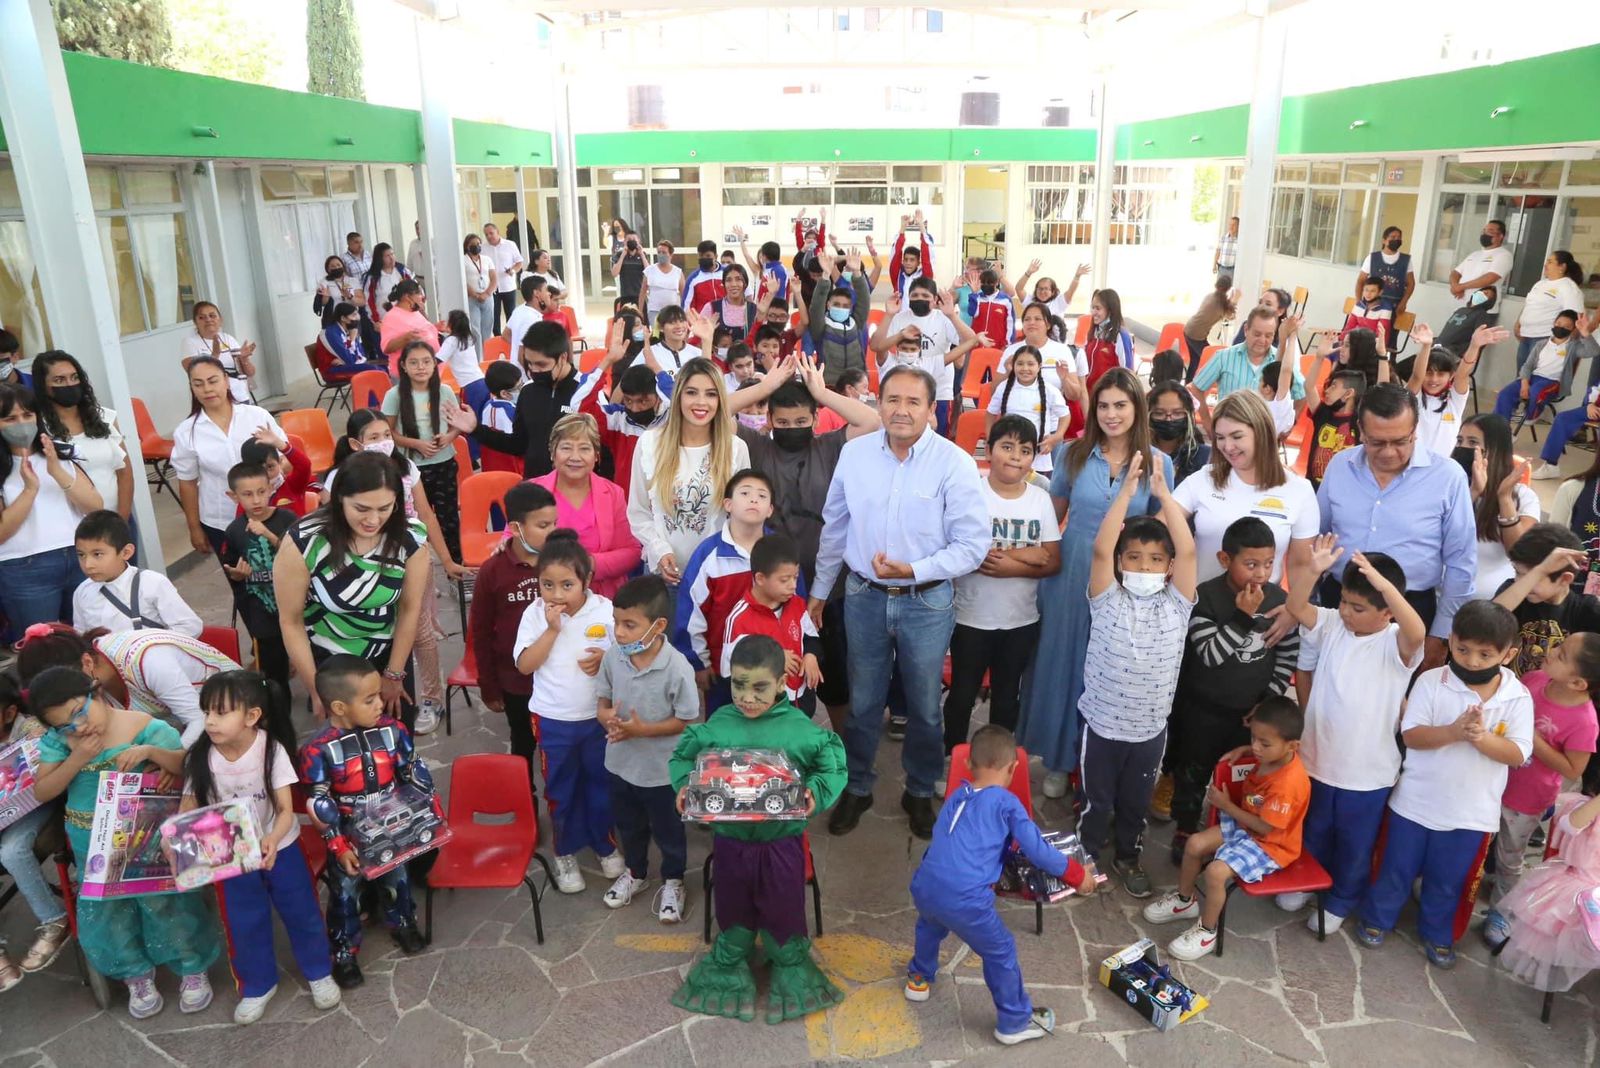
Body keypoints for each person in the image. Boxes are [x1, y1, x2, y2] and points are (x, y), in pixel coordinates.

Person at [812, 366, 989, 839]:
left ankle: (919, 788)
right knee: (864, 700)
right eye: (892, 399)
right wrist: (819, 592)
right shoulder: (854, 455)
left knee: (925, 705)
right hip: (864, 596)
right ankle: (858, 786)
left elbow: (973, 545)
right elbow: (835, 528)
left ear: (932, 409)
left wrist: (914, 569)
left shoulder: (954, 463)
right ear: (878, 403)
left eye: (914, 402)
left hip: (925, 602)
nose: (901, 410)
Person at [668, 635, 847, 1024]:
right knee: (732, 903)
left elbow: (831, 762)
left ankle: (789, 960)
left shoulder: (800, 729)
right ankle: (732, 954)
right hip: (731, 844)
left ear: (782, 683)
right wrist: (685, 787)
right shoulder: (718, 723)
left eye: (760, 687)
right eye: (739, 685)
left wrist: (816, 791)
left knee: (784, 905)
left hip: (781, 844)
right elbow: (683, 756)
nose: (747, 698)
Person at [29, 666, 219, 1017]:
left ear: (96, 692)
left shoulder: (144, 727)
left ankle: (191, 965)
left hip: (145, 834)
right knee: (110, 909)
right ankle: (136, 974)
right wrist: (77, 758)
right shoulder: (60, 743)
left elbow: (185, 766)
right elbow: (43, 790)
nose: (78, 728)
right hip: (91, 839)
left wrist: (151, 753)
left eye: (79, 713)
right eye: (65, 726)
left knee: (163, 899)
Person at [1018, 369, 1172, 801]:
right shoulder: (1072, 453)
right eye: (1103, 405)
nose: (1111, 414)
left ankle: (1100, 766)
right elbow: (1050, 518)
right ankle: (1059, 760)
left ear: (1137, 408)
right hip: (1071, 573)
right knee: (1064, 662)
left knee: (1110, 667)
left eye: (1120, 405)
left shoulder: (1158, 462)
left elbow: (1162, 527)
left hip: (1126, 580)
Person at [1356, 600, 1532, 969]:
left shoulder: (1517, 697)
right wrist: (1454, 732)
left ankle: (1439, 934)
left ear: (1509, 654)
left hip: (1471, 814)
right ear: (1450, 640)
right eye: (1463, 649)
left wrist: (1481, 737)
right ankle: (1377, 917)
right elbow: (1412, 735)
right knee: (1394, 868)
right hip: (1414, 803)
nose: (1472, 661)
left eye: (1485, 654)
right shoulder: (1432, 681)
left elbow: (1517, 753)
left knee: (1450, 881)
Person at [904, 723, 1093, 1046]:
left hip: (926, 884)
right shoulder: (1007, 804)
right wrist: (1077, 875)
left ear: (968, 764)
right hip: (966, 900)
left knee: (930, 926)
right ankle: (1014, 1022)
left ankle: (918, 978)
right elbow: (1038, 850)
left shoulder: (956, 796)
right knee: (1001, 949)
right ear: (1013, 768)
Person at [1277, 536, 1424, 931]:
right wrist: (1313, 570)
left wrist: (1385, 585)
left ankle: (1341, 899)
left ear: (1387, 612)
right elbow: (1297, 606)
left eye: (1358, 608)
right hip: (1316, 760)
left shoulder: (1396, 645)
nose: (1345, 611)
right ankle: (1305, 882)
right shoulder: (1331, 625)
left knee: (1354, 845)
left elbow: (1417, 631)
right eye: (1343, 601)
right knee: (1313, 830)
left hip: (1366, 775)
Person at [725, 359, 880, 730]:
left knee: (836, 677)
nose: (792, 428)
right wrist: (765, 387)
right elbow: (719, 411)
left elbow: (871, 421)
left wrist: (821, 392)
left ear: (815, 419)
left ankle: (839, 745)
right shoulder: (758, 448)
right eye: (782, 422)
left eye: (800, 421)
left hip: (829, 585)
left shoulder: (829, 447)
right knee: (772, 673)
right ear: (769, 421)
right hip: (772, 589)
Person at [181, 670, 341, 1023]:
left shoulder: (271, 750)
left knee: (302, 911)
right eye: (206, 712)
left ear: (252, 716)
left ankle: (319, 971)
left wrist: (272, 839)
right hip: (230, 855)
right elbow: (188, 806)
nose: (210, 721)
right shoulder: (200, 757)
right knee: (242, 921)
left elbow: (284, 810)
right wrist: (174, 837)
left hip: (281, 847)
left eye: (221, 712)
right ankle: (257, 985)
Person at [1076, 449, 1196, 896]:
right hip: (1101, 727)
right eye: (1134, 557)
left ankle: (1128, 855)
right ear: (1120, 563)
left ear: (1169, 568)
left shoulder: (1178, 605)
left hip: (1148, 732)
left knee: (1135, 802)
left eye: (1154, 559)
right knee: (1095, 799)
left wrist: (1163, 493)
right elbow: (1101, 547)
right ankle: (1087, 852)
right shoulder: (1107, 597)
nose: (1144, 566)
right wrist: (1126, 493)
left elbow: (1187, 548)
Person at [1166, 517, 1299, 859]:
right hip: (1203, 709)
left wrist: (1267, 700)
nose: (1261, 573)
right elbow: (1211, 655)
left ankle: (1230, 828)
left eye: (1268, 564)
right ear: (1225, 559)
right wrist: (1243, 616)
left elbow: (1288, 653)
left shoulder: (1279, 602)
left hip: (1250, 715)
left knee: (1243, 776)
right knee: (1192, 771)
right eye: (1251, 564)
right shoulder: (1206, 597)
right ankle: (1185, 828)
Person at [1317, 383, 1476, 666]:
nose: (1389, 452)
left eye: (1401, 442)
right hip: (1340, 604)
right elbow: (1316, 539)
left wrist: (1441, 634)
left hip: (1410, 612)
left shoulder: (1448, 477)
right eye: (1377, 442)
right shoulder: (1340, 466)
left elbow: (1461, 562)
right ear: (1361, 431)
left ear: (1415, 431)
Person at [1143, 696, 1309, 961]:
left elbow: (1265, 828)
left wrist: (1226, 806)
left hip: (1271, 844)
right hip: (1248, 821)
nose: (1256, 747)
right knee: (1194, 843)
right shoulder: (1273, 754)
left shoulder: (1288, 784)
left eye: (1264, 744)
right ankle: (1185, 901)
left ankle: (1207, 931)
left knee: (1216, 872)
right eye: (1253, 738)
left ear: (1293, 746)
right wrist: (1245, 749)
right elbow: (1256, 809)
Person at [300, 655, 431, 988]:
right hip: (347, 829)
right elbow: (319, 800)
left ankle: (403, 923)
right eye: (370, 699)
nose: (380, 704)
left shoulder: (393, 730)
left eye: (378, 696)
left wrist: (424, 809)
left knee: (398, 877)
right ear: (339, 707)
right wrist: (338, 844)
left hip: (392, 821)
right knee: (346, 893)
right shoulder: (318, 749)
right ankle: (344, 950)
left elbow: (411, 769)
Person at [274, 452, 431, 728]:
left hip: (389, 653)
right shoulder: (304, 542)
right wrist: (316, 688)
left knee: (396, 737)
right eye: (361, 509)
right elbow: (291, 621)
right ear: (339, 499)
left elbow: (409, 608)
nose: (373, 519)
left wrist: (394, 674)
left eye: (384, 508)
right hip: (330, 662)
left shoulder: (410, 539)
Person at [944, 416, 1060, 759]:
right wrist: (1028, 555)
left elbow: (1052, 560)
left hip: (1020, 620)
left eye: (1025, 450)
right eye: (1007, 447)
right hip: (970, 617)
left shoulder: (1040, 500)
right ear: (989, 449)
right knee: (962, 693)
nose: (1015, 457)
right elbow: (963, 553)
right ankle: (952, 755)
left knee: (1007, 696)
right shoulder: (972, 494)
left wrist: (1010, 563)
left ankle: (998, 763)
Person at [512, 530, 621, 894]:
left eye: (567, 585)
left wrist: (607, 659)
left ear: (586, 581)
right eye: (547, 585)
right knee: (561, 787)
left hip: (596, 719)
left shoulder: (605, 610)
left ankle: (604, 843)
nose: (556, 594)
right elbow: (525, 665)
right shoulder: (534, 615)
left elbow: (626, 655)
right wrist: (551, 630)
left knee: (600, 783)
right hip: (552, 719)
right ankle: (565, 851)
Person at [1481, 633, 1599, 948]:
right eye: (1559, 645)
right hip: (1490, 778)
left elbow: (1573, 769)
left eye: (1562, 654)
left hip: (1526, 798)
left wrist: (1531, 737)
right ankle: (1457, 890)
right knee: (1474, 842)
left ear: (1578, 683)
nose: (1552, 650)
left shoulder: (1585, 722)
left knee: (1510, 857)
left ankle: (1501, 912)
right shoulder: (1534, 680)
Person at [597, 574, 698, 921]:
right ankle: (636, 873)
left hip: (661, 772)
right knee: (629, 827)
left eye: (629, 625)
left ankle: (673, 880)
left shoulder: (677, 668)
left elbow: (687, 720)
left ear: (659, 626)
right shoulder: (614, 657)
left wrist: (643, 731)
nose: (619, 633)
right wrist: (605, 717)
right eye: (616, 622)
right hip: (620, 765)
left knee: (669, 831)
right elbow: (602, 701)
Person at [627, 358, 751, 585]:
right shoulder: (649, 443)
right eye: (692, 392)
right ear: (678, 396)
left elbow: (743, 517)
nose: (701, 402)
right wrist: (659, 550)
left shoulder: (736, 449)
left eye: (711, 394)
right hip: (664, 578)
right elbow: (638, 511)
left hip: (716, 579)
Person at [1173, 391, 1317, 587]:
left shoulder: (1299, 490)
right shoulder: (1203, 479)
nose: (1228, 446)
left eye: (1237, 436)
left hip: (1264, 604)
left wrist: (1293, 605)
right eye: (1220, 437)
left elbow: (1300, 565)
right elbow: (1160, 526)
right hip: (1200, 602)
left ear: (1261, 432)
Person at [469, 481, 555, 795]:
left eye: (554, 523)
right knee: (522, 742)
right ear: (516, 528)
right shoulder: (493, 571)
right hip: (516, 681)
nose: (552, 531)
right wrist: (489, 685)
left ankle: (561, 801)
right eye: (543, 525)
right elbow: (480, 631)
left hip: (558, 679)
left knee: (557, 747)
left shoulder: (561, 564)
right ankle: (525, 799)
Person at [0, 383, 102, 633]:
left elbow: (95, 506)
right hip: (24, 568)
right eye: (10, 419)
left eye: (27, 415)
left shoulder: (59, 452)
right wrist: (29, 490)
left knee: (92, 637)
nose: (21, 424)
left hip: (79, 557)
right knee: (44, 644)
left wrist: (57, 471)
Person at [675, 469, 777, 708]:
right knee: (723, 726)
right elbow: (690, 614)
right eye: (745, 493)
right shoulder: (709, 555)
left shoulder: (779, 551)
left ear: (770, 510)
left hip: (773, 664)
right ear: (728, 504)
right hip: (723, 667)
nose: (754, 500)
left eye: (762, 496)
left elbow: (795, 604)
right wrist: (699, 663)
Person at [452, 320, 591, 480]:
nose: (534, 370)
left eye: (541, 364)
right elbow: (518, 444)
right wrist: (476, 429)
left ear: (562, 358)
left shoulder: (586, 391)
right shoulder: (528, 390)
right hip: (535, 484)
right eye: (529, 363)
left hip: (574, 485)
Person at [0, 672, 69, 991]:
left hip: (35, 804)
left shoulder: (30, 730)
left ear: (9, 713)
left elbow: (48, 770)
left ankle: (54, 919)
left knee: (12, 851)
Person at [529, 412, 642, 598]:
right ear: (552, 453)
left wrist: (587, 563)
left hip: (602, 597)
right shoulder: (532, 491)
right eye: (566, 448)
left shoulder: (614, 494)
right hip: (548, 596)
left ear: (596, 456)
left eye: (584, 449)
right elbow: (512, 543)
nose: (575, 457)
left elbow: (632, 552)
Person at [1497, 790, 1600, 992]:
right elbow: (1571, 825)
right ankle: (1546, 966)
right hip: (1578, 884)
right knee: (1566, 923)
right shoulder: (1584, 805)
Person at [719, 534, 823, 711]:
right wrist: (773, 660)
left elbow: (810, 637)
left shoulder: (797, 604)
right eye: (784, 580)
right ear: (760, 578)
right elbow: (729, 673)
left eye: (795, 577)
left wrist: (811, 656)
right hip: (766, 711)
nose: (793, 586)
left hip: (801, 701)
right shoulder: (739, 620)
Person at [219, 463, 297, 692]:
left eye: (261, 492)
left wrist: (269, 535)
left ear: (271, 488)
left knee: (313, 660)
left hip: (298, 608)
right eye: (247, 494)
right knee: (274, 678)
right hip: (262, 614)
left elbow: (302, 555)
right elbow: (231, 569)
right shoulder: (234, 531)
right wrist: (237, 575)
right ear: (233, 496)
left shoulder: (287, 519)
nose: (256, 500)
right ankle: (278, 709)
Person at [32, 350, 132, 524]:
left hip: (116, 521)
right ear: (43, 386)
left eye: (74, 377)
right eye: (59, 380)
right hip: (72, 528)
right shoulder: (39, 428)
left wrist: (122, 520)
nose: (69, 384)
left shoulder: (104, 417)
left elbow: (124, 472)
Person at [383, 341, 461, 562]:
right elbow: (387, 432)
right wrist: (416, 444)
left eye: (426, 361)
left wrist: (448, 437)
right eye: (414, 362)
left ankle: (454, 565)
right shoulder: (395, 395)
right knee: (414, 520)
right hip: (410, 468)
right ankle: (419, 566)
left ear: (434, 364)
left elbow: (457, 424)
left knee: (448, 518)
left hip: (444, 464)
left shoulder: (445, 391)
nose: (421, 367)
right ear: (403, 366)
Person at [71, 510, 200, 636]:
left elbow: (190, 626)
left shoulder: (152, 583)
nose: (88, 564)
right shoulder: (82, 592)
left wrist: (152, 645)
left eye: (97, 554)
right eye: (81, 555)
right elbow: (81, 635)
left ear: (126, 552)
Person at [1493, 525, 1600, 676]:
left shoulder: (1586, 609)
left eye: (1533, 577)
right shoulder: (1512, 592)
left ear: (1565, 579)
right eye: (1518, 572)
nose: (1521, 582)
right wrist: (1541, 570)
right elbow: (1485, 621)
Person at [1455, 414, 1538, 596]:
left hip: (1491, 602)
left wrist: (1504, 498)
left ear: (1495, 450)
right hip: (1442, 596)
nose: (1462, 448)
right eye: (1460, 441)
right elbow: (1439, 537)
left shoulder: (1523, 497)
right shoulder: (1450, 486)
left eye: (1473, 442)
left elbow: (1518, 552)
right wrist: (1472, 493)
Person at [1189, 307, 1304, 434]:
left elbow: (1302, 394)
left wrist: (1288, 426)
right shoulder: (1224, 357)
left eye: (1268, 336)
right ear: (1246, 330)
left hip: (1263, 437)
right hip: (1228, 433)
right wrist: (1207, 422)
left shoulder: (1281, 360)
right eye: (1257, 334)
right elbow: (1197, 388)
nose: (1262, 340)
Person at [1493, 309, 1595, 428]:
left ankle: (1531, 416)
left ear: (1573, 329)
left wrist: (1585, 332)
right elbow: (1527, 366)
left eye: (1566, 326)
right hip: (1533, 378)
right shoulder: (1541, 344)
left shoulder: (1574, 347)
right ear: (1554, 323)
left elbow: (1594, 351)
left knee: (1536, 391)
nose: (1561, 327)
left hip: (1553, 382)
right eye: (1558, 323)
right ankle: (1499, 427)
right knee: (1505, 394)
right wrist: (1524, 383)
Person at [1530, 314, 1600, 480]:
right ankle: (1551, 465)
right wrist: (1591, 404)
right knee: (1562, 418)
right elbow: (1596, 387)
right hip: (1596, 408)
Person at [1408, 324, 1492, 458]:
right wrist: (1426, 346)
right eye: (1428, 373)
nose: (1434, 379)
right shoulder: (1413, 397)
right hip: (1414, 462)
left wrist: (1474, 346)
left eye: (1441, 374)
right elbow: (1417, 376)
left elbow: (1463, 374)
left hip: (1445, 465)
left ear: (1451, 375)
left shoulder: (1455, 399)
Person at [986, 346, 1070, 476]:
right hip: (1008, 454)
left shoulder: (1049, 390)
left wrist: (1057, 436)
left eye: (1030, 364)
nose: (1025, 368)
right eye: (1020, 364)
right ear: (1013, 366)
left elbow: (1065, 415)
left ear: (1039, 366)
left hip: (1038, 456)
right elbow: (990, 413)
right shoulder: (1003, 387)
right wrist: (990, 439)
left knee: (1037, 486)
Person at [1511, 250, 1586, 372]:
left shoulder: (1569, 288)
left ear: (1562, 267)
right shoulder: (1540, 284)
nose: (1545, 265)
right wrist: (1518, 323)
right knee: (1522, 376)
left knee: (1537, 377)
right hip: (1526, 337)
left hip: (1545, 338)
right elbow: (1529, 305)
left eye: (1550, 262)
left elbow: (1576, 318)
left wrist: (1560, 344)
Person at [810, 250, 874, 388]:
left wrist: (857, 273)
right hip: (829, 386)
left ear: (850, 308)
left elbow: (864, 300)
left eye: (845, 306)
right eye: (837, 304)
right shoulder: (821, 326)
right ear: (828, 305)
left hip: (856, 386)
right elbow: (816, 305)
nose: (841, 308)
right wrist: (825, 276)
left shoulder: (856, 323)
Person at [180, 302, 256, 404]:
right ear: (195, 322)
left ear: (220, 320)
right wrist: (215, 355)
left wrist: (244, 359)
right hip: (212, 399)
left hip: (239, 396)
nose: (208, 320)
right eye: (202, 317)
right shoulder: (190, 342)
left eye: (212, 316)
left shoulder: (228, 339)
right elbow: (194, 373)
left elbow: (250, 373)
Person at [1301, 369, 1365, 490]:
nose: (1327, 390)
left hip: (1344, 492)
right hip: (1314, 490)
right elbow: (1308, 386)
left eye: (1334, 386)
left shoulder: (1360, 423)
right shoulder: (1323, 414)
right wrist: (1319, 359)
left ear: (1348, 393)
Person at [1147, 382, 1211, 486]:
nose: (1168, 419)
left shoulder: (1205, 457)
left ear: (1189, 416)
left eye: (1177, 413)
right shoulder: (1138, 455)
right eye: (1159, 413)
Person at [377, 279, 437, 378]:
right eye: (418, 293)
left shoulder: (415, 312)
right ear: (407, 297)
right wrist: (406, 338)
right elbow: (386, 348)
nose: (422, 297)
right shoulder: (391, 317)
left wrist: (436, 328)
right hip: (406, 375)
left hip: (426, 371)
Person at [1182, 275, 1239, 379]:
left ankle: (1189, 383)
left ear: (1216, 285)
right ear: (1228, 289)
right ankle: (1203, 383)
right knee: (1211, 361)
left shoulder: (1210, 296)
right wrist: (1235, 298)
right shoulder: (1221, 305)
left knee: (1195, 361)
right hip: (1196, 336)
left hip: (1189, 329)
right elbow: (1231, 316)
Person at [436, 308, 488, 420]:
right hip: (482, 381)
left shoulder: (451, 341)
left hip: (469, 386)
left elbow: (438, 359)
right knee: (481, 418)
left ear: (451, 324)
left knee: (470, 420)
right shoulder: (468, 338)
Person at [1355, 226, 1415, 322]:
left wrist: (1404, 303)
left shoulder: (1406, 260)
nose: (1396, 239)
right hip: (1372, 306)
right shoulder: (1372, 258)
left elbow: (1411, 283)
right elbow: (1360, 281)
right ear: (1384, 240)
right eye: (1393, 237)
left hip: (1394, 307)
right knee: (1368, 330)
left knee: (1388, 331)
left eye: (1399, 237)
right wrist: (1358, 301)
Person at [1449, 218, 1512, 309]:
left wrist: (1461, 287)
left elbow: (1490, 278)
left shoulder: (1504, 255)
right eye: (1484, 230)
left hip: (1483, 310)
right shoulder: (1475, 254)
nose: (1485, 233)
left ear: (1501, 236)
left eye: (1490, 231)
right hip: (1460, 308)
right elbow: (1455, 273)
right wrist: (1455, 286)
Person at [318, 302, 388, 380]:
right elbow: (350, 360)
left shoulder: (350, 329)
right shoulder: (331, 333)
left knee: (386, 367)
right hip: (331, 370)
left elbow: (361, 355)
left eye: (357, 314)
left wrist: (347, 358)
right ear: (343, 318)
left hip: (347, 365)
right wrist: (353, 339)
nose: (358, 318)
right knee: (377, 371)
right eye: (354, 315)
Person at [1082, 289, 1136, 388]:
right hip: (1089, 392)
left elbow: (1128, 374)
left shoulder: (1120, 335)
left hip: (1108, 393)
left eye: (1098, 308)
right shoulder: (1093, 332)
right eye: (1092, 308)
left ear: (1110, 310)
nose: (1093, 312)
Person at [1013, 260, 1089, 323]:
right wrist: (1028, 273)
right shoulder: (1030, 301)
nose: (1042, 292)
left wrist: (1077, 277)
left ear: (1053, 292)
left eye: (1046, 289)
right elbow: (1019, 289)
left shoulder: (1059, 302)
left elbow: (1071, 290)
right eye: (1040, 289)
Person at [483, 222, 524, 334]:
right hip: (492, 288)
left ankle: (511, 338)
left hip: (508, 285)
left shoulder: (510, 245)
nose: (489, 236)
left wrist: (513, 270)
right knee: (494, 316)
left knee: (511, 315)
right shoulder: (483, 248)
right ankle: (497, 339)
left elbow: (519, 262)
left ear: (497, 232)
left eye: (491, 233)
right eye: (486, 234)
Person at [362, 243, 411, 326]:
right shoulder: (373, 277)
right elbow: (369, 301)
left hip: (406, 317)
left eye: (392, 254)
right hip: (385, 320)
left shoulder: (402, 271)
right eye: (387, 256)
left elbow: (414, 289)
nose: (391, 258)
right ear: (379, 258)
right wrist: (376, 321)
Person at [890, 211, 935, 301]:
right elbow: (896, 253)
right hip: (899, 311)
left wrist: (921, 225)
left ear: (918, 262)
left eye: (912, 260)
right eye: (906, 259)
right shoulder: (897, 275)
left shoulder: (924, 276)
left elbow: (927, 255)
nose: (908, 263)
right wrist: (902, 228)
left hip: (920, 310)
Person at [462, 233, 498, 346]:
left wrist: (487, 294)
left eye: (478, 243)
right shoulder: (463, 260)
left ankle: (487, 353)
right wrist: (475, 295)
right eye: (473, 244)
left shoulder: (487, 259)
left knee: (487, 328)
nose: (477, 246)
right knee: (475, 329)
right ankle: (478, 355)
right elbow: (462, 281)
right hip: (472, 298)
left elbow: (494, 278)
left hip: (487, 297)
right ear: (467, 246)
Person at [641, 241, 685, 327]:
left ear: (671, 255)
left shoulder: (678, 272)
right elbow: (642, 293)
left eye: (664, 252)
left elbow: (683, 294)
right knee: (657, 333)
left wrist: (684, 311)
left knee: (670, 332)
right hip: (654, 311)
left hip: (672, 312)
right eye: (659, 252)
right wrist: (640, 311)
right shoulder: (650, 270)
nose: (661, 255)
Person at [502, 274, 550, 349]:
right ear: (536, 293)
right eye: (546, 290)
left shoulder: (519, 310)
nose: (549, 293)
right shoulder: (532, 319)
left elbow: (505, 334)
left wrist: (516, 347)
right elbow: (523, 351)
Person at [681, 240, 727, 315]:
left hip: (727, 319)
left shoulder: (727, 273)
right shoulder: (693, 279)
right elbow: (686, 308)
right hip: (703, 321)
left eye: (708, 256)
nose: (704, 258)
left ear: (716, 256)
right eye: (701, 256)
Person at [315, 255, 360, 329]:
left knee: (353, 335)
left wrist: (350, 297)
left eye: (338, 265)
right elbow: (322, 303)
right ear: (328, 269)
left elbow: (361, 300)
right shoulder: (324, 282)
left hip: (352, 317)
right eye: (332, 266)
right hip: (333, 318)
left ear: (343, 266)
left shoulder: (352, 280)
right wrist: (326, 296)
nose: (336, 267)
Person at [404, 220, 427, 284]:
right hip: (417, 279)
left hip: (430, 279)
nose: (418, 231)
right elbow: (409, 264)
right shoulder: (412, 244)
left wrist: (426, 256)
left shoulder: (432, 243)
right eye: (417, 228)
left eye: (420, 228)